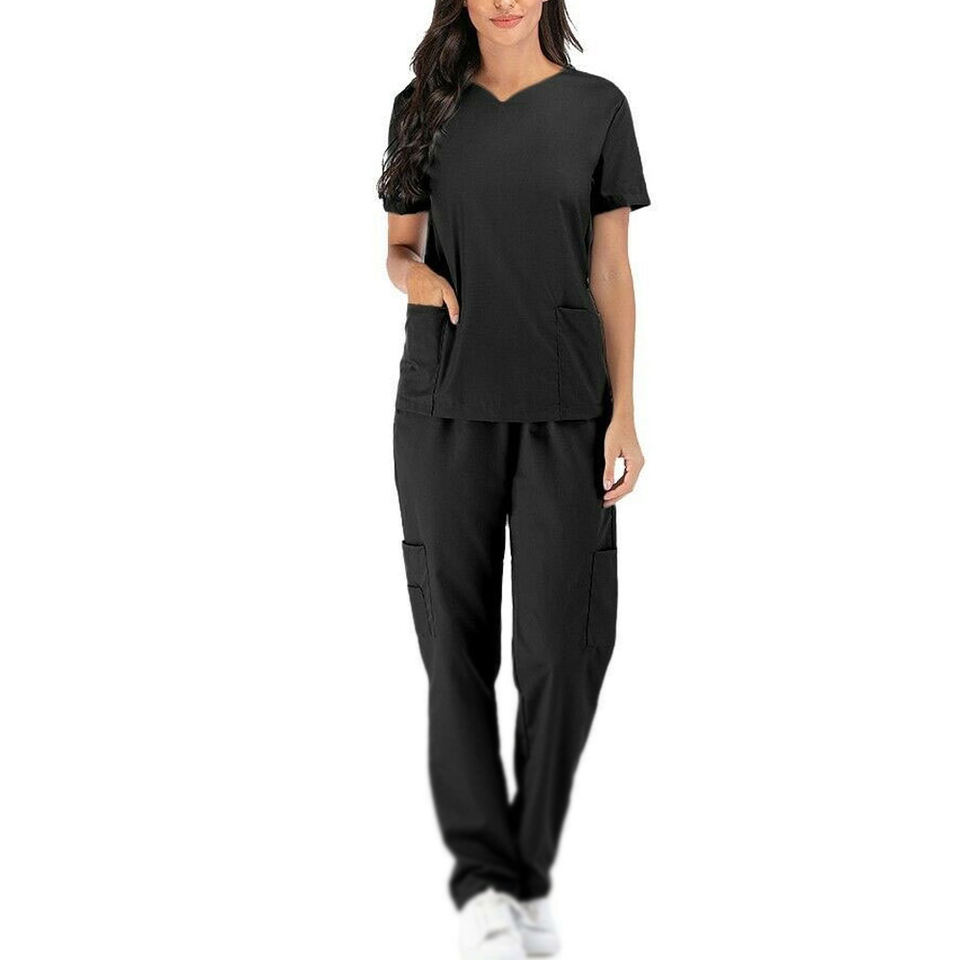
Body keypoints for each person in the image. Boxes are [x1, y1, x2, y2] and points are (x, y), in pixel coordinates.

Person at [378, 1, 650, 956]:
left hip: (566, 405)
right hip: (445, 404)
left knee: (564, 649)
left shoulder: (598, 109)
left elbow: (611, 270)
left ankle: (526, 865)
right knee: (454, 648)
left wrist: (625, 410)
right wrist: (422, 280)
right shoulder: (424, 106)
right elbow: (396, 250)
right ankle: (485, 884)